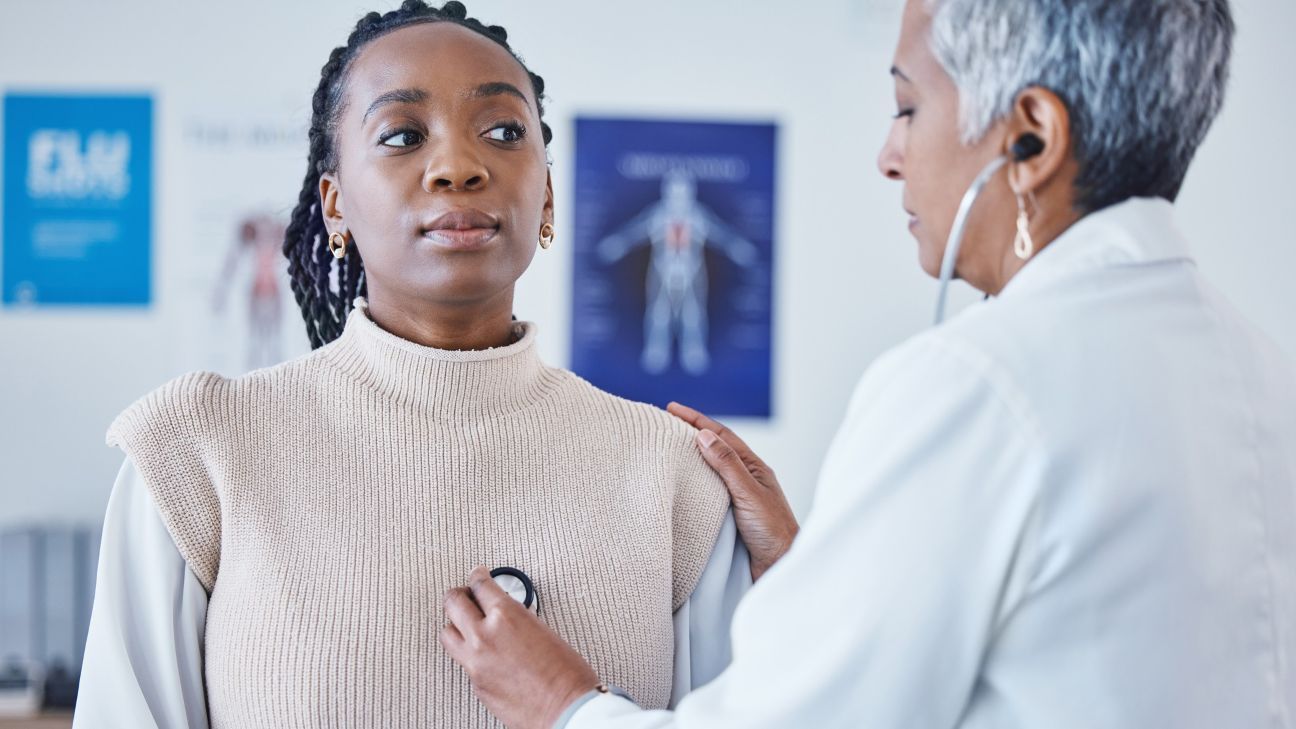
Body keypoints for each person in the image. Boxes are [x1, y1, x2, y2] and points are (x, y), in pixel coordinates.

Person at [440, 0, 1296, 727]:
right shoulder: (1258, 368)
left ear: (1032, 139)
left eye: (909, 108)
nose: (889, 156)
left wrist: (564, 702)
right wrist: (826, 570)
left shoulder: (980, 388)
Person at [72, 3, 749, 727]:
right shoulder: (197, 452)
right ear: (334, 206)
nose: (459, 166)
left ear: (546, 192)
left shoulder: (674, 475)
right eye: (401, 135)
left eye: (503, 132)